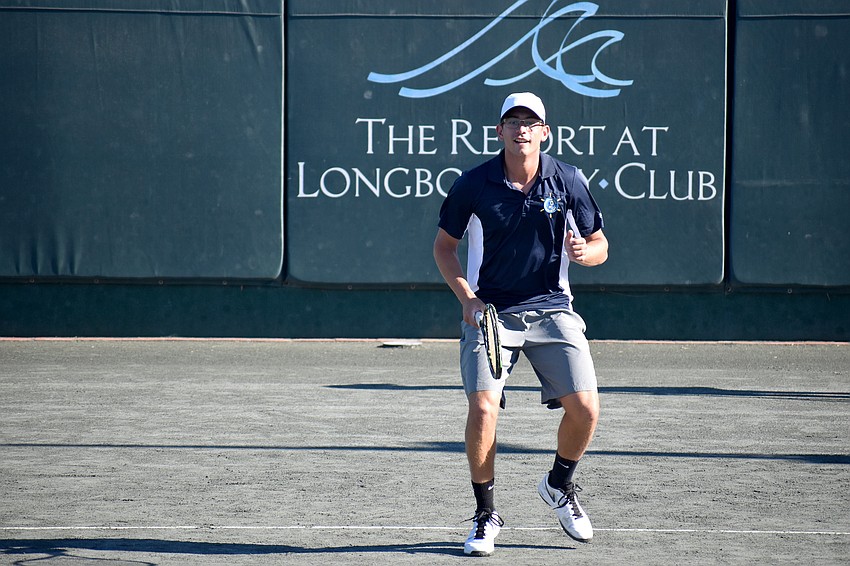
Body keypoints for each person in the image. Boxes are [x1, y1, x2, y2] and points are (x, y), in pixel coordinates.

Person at [433, 92, 608, 557]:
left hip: (552, 308)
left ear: (545, 132)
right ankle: (485, 514)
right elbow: (444, 248)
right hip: (490, 313)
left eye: (531, 122)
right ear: (500, 131)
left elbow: (599, 244)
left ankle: (558, 485)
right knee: (484, 409)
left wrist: (583, 255)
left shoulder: (567, 179)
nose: (521, 129)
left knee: (587, 410)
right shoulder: (474, 184)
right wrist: (467, 299)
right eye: (513, 121)